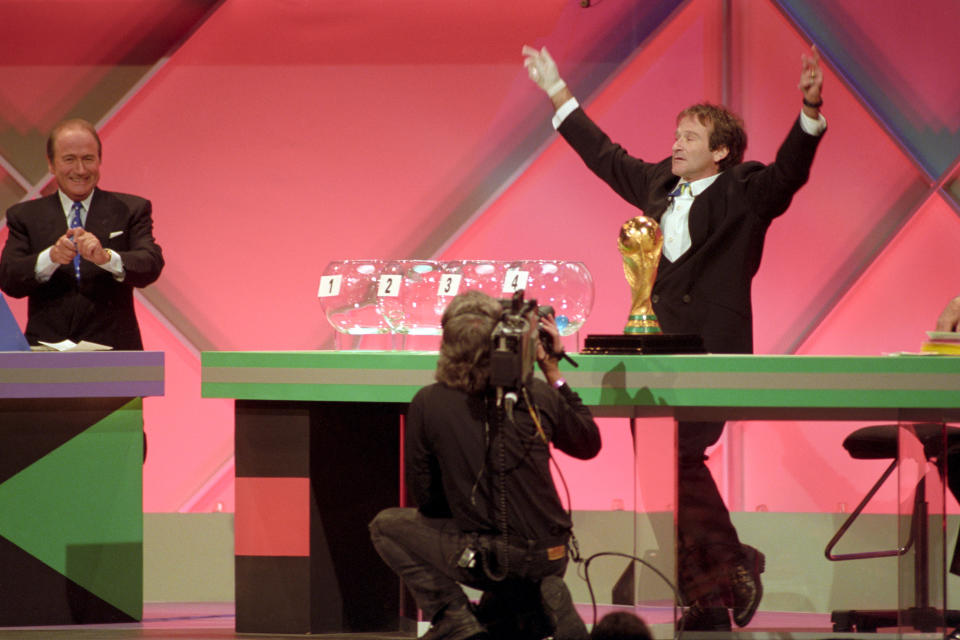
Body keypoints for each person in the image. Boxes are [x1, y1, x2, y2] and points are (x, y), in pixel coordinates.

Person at [522, 44, 827, 630]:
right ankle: (711, 593)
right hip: (655, 358)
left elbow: (789, 172)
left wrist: (809, 111)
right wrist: (558, 91)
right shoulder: (659, 185)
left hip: (713, 354)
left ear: (721, 150)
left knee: (683, 457)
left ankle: (733, 563)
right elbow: (604, 155)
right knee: (661, 470)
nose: (677, 143)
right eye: (676, 134)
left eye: (691, 136)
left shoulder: (745, 189)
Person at [369, 290, 602, 640]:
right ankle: (538, 601)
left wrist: (468, 506)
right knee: (503, 621)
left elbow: (427, 499)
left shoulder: (427, 402)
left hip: (489, 558)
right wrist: (552, 368)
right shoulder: (535, 392)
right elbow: (588, 443)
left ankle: (454, 618)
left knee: (385, 526)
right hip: (552, 554)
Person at [0, 118, 163, 350]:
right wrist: (52, 257)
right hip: (46, 356)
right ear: (51, 164)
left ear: (99, 160)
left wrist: (106, 258)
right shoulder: (24, 216)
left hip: (116, 355)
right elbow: (9, 278)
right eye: (69, 159)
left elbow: (151, 264)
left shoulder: (131, 209)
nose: (80, 170)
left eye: (88, 159)